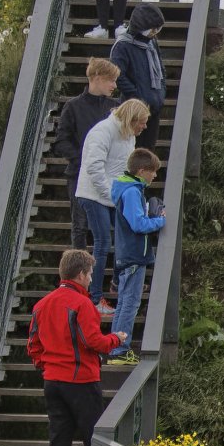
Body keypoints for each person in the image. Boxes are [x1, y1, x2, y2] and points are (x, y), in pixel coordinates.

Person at [26, 248, 125, 446]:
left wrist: (46, 366)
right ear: (80, 274)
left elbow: (33, 345)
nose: (92, 279)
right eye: (91, 274)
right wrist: (117, 339)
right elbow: (94, 341)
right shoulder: (82, 305)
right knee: (94, 441)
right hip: (81, 381)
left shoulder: (41, 305)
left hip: (53, 382)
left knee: (59, 443)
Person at [75, 99, 150, 312]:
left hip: (114, 196)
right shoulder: (103, 132)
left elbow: (124, 168)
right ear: (131, 119)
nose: (144, 127)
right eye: (142, 122)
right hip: (93, 194)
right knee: (102, 242)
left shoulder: (129, 136)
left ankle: (118, 282)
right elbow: (94, 168)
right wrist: (112, 194)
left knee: (125, 238)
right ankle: (95, 299)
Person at [107, 147, 166, 365]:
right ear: (142, 171)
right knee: (129, 305)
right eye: (153, 171)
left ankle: (115, 348)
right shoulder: (132, 192)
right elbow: (138, 224)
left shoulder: (128, 189)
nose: (155, 176)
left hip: (127, 255)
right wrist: (160, 220)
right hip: (133, 256)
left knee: (124, 303)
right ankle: (120, 350)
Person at [56, 57, 120, 252]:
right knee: (80, 225)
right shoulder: (73, 106)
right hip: (79, 173)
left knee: (114, 223)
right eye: (111, 80)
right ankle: (78, 272)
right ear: (97, 78)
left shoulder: (116, 107)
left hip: (109, 172)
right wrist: (83, 159)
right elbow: (61, 141)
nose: (114, 85)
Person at [111, 5, 166, 144]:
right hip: (134, 110)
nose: (155, 32)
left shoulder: (152, 42)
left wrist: (161, 93)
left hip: (154, 108)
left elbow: (160, 68)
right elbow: (118, 75)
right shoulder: (122, 46)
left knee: (149, 152)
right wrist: (138, 97)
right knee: (133, 151)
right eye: (152, 29)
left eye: (157, 29)